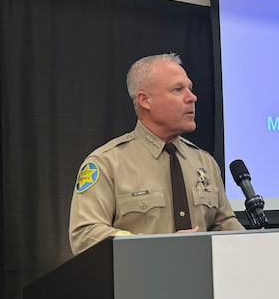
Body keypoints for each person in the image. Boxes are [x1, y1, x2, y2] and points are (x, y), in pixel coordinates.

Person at [69, 53, 243, 255]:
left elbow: (224, 225)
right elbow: (85, 235)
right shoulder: (107, 163)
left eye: (190, 89)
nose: (192, 97)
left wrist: (255, 244)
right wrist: (159, 247)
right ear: (145, 100)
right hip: (139, 283)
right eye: (178, 89)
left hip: (205, 283)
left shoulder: (205, 162)